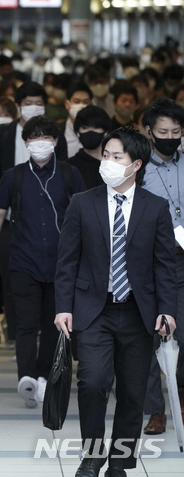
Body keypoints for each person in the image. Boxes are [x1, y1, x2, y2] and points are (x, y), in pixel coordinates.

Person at [55, 127, 177, 477]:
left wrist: (167, 310)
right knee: (92, 382)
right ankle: (92, 457)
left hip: (139, 313)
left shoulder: (156, 208)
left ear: (136, 164)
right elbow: (66, 261)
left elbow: (164, 265)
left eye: (116, 157)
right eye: (105, 155)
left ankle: (121, 462)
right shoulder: (83, 202)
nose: (107, 162)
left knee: (132, 392)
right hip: (94, 310)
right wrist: (64, 307)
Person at [0, 116, 85, 408]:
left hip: (61, 264)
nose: (40, 142)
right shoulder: (12, 176)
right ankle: (26, 377)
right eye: (34, 137)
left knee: (54, 324)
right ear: (26, 142)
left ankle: (43, 376)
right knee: (25, 324)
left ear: (55, 142)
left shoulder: (69, 175)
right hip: (23, 261)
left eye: (46, 137)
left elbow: (83, 217)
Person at [0, 82, 68, 350]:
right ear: (18, 104)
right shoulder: (2, 133)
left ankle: (40, 335)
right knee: (13, 277)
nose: (33, 106)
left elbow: (64, 173)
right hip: (8, 216)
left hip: (48, 221)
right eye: (28, 102)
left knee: (45, 280)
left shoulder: (54, 136)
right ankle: (19, 335)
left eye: (38, 101)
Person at [140, 98, 184, 436]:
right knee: (150, 338)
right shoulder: (139, 168)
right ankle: (156, 409)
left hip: (183, 263)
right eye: (164, 131)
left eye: (177, 131)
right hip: (150, 263)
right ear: (149, 132)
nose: (171, 137)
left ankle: (180, 402)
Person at [67, 105, 112, 189]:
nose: (90, 132)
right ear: (77, 132)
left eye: (96, 127)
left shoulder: (116, 164)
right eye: (85, 128)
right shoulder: (69, 167)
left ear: (106, 132)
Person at [63, 83, 93, 158]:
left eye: (86, 102)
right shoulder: (58, 131)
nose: (81, 106)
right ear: (67, 104)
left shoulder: (97, 132)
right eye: (76, 102)